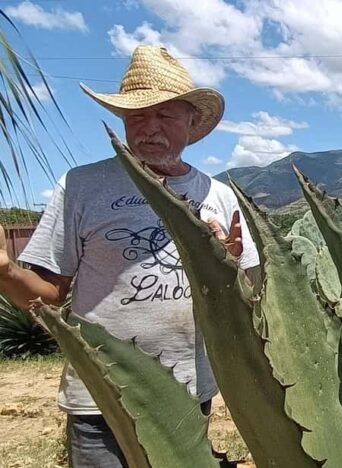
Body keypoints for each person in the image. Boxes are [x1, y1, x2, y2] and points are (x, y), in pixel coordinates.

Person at [0, 45, 259, 467]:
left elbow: (247, 300)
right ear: (123, 121)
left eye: (165, 115)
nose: (149, 128)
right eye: (138, 115)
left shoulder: (219, 196)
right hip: (103, 395)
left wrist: (226, 271)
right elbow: (49, 295)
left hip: (189, 392)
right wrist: (6, 271)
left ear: (191, 122)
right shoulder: (82, 187)